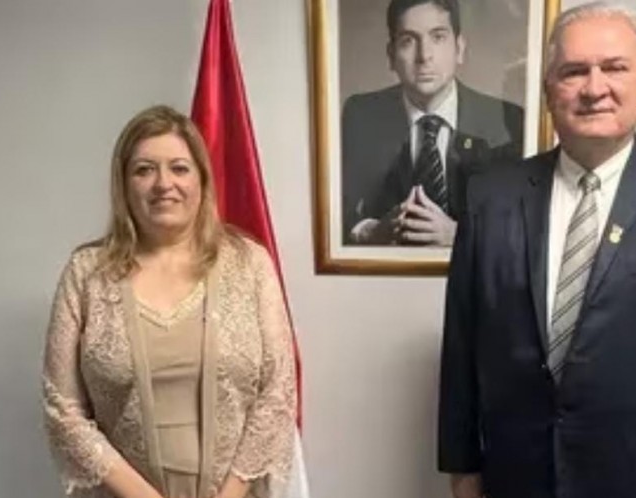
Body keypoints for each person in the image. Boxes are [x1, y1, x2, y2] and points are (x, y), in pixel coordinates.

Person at [437, 3, 636, 498]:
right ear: (549, 90)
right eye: (573, 71)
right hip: (516, 476)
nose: (594, 88)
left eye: (614, 67)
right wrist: (462, 469)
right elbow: (461, 347)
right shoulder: (489, 198)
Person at [42, 105, 296, 498]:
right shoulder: (86, 273)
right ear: (123, 184)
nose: (164, 183)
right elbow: (63, 409)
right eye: (144, 170)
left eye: (179, 168)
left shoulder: (250, 264)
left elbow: (277, 390)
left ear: (201, 179)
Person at [341, 0, 524, 246]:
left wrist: (460, 235)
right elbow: (335, 211)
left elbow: (522, 224)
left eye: (438, 37)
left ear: (459, 49)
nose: (424, 56)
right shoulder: (361, 115)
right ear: (391, 55)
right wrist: (370, 232)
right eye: (408, 40)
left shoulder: (508, 120)